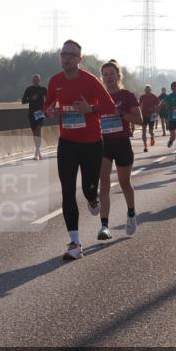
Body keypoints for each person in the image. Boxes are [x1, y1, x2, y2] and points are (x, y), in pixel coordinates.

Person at [43, 40, 116, 260]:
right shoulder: (55, 81)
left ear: (79, 59)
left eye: (71, 55)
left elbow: (110, 106)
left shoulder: (90, 80)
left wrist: (90, 108)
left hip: (91, 143)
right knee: (67, 190)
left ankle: (93, 198)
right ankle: (75, 243)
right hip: (67, 143)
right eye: (63, 54)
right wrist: (48, 110)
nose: (66, 58)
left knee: (87, 188)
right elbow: (49, 103)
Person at [97, 61, 142, 240]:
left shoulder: (127, 95)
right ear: (102, 77)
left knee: (124, 183)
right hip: (104, 144)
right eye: (105, 74)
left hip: (122, 143)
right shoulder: (98, 97)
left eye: (112, 74)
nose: (109, 77)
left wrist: (121, 113)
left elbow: (139, 120)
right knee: (104, 183)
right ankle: (104, 226)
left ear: (118, 76)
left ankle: (131, 213)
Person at [21, 74, 48, 161]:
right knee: (34, 133)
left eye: (37, 79)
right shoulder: (29, 89)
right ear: (32, 80)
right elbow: (23, 101)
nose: (35, 81)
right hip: (31, 113)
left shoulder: (43, 89)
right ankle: (38, 152)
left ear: (40, 80)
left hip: (40, 113)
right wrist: (31, 99)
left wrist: (46, 112)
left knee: (38, 130)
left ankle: (37, 153)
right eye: (34, 79)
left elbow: (47, 100)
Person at [138, 85, 160, 152]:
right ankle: (145, 146)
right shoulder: (142, 97)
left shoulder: (154, 96)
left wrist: (155, 110)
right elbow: (139, 105)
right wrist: (139, 114)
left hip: (152, 115)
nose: (147, 91)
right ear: (144, 90)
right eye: (146, 90)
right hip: (144, 115)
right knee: (143, 130)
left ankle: (152, 137)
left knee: (150, 131)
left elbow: (158, 105)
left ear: (151, 90)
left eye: (148, 90)